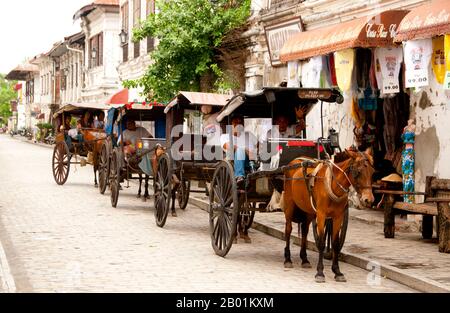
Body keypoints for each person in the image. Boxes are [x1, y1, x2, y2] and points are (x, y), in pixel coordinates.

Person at [220, 114, 258, 186]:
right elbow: (229, 147)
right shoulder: (224, 136)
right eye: (235, 122)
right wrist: (245, 150)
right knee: (240, 151)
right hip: (234, 161)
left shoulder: (249, 135)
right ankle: (239, 176)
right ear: (231, 125)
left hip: (251, 161)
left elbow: (259, 147)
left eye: (240, 123)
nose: (238, 125)